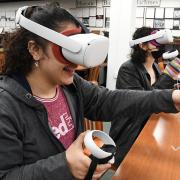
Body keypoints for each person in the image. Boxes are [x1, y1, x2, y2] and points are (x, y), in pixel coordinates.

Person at [0, 4, 180, 180]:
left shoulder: (69, 86)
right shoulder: (6, 107)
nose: (77, 64)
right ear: (35, 49)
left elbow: (107, 100)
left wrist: (170, 97)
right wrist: (65, 166)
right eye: (67, 51)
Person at [110, 27, 180, 167]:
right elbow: (144, 103)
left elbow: (159, 95)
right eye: (156, 42)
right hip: (129, 133)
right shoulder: (128, 69)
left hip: (149, 126)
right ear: (142, 45)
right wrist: (169, 75)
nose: (160, 46)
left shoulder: (154, 66)